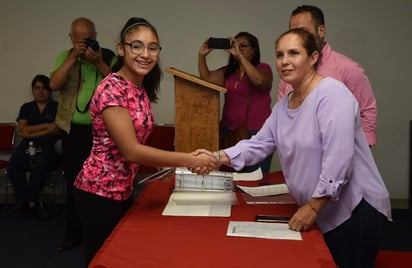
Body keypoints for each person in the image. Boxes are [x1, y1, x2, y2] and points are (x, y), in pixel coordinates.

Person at [204, 28, 391, 267]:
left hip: (353, 211)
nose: (285, 61)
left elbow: (338, 160)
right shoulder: (284, 105)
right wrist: (216, 157)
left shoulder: (332, 95)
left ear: (313, 58)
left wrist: (313, 207)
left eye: (294, 53)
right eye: (280, 55)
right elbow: (259, 144)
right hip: (322, 209)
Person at [73, 17, 217, 265]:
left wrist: (160, 164)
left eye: (153, 48)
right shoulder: (112, 89)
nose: (145, 54)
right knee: (102, 259)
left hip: (123, 189)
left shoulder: (138, 88)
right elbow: (130, 151)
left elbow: (134, 141)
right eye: (136, 46)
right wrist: (187, 159)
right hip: (98, 191)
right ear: (121, 49)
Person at [49, 17, 116, 252]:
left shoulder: (108, 56)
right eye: (79, 39)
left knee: (100, 187)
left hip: (102, 135)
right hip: (73, 132)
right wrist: (71, 58)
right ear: (71, 38)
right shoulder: (64, 56)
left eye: (89, 38)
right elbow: (54, 84)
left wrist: (98, 62)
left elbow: (118, 88)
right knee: (74, 185)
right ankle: (73, 235)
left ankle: (100, 236)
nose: (85, 43)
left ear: (95, 36)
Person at [277, 5, 378, 146]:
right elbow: (281, 118)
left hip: (341, 154)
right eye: (293, 32)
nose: (297, 38)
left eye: (304, 31)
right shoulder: (289, 72)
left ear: (321, 31)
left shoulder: (348, 69)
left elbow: (367, 113)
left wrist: (356, 151)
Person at [198, 32, 274, 173]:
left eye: (243, 46)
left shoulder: (263, 68)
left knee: (255, 177)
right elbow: (207, 77)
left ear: (254, 49)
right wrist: (202, 56)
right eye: (236, 46)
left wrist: (240, 57)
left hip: (257, 134)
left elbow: (259, 81)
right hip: (230, 132)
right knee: (232, 180)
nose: (239, 49)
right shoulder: (228, 72)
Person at [7, 74, 60, 221]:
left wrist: (31, 132)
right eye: (37, 88)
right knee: (13, 166)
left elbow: (56, 130)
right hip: (26, 146)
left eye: (44, 88)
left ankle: (31, 202)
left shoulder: (57, 107)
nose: (40, 91)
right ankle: (24, 202)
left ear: (50, 91)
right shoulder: (26, 107)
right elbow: (23, 129)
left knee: (40, 166)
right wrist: (45, 127)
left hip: (49, 147)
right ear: (32, 90)